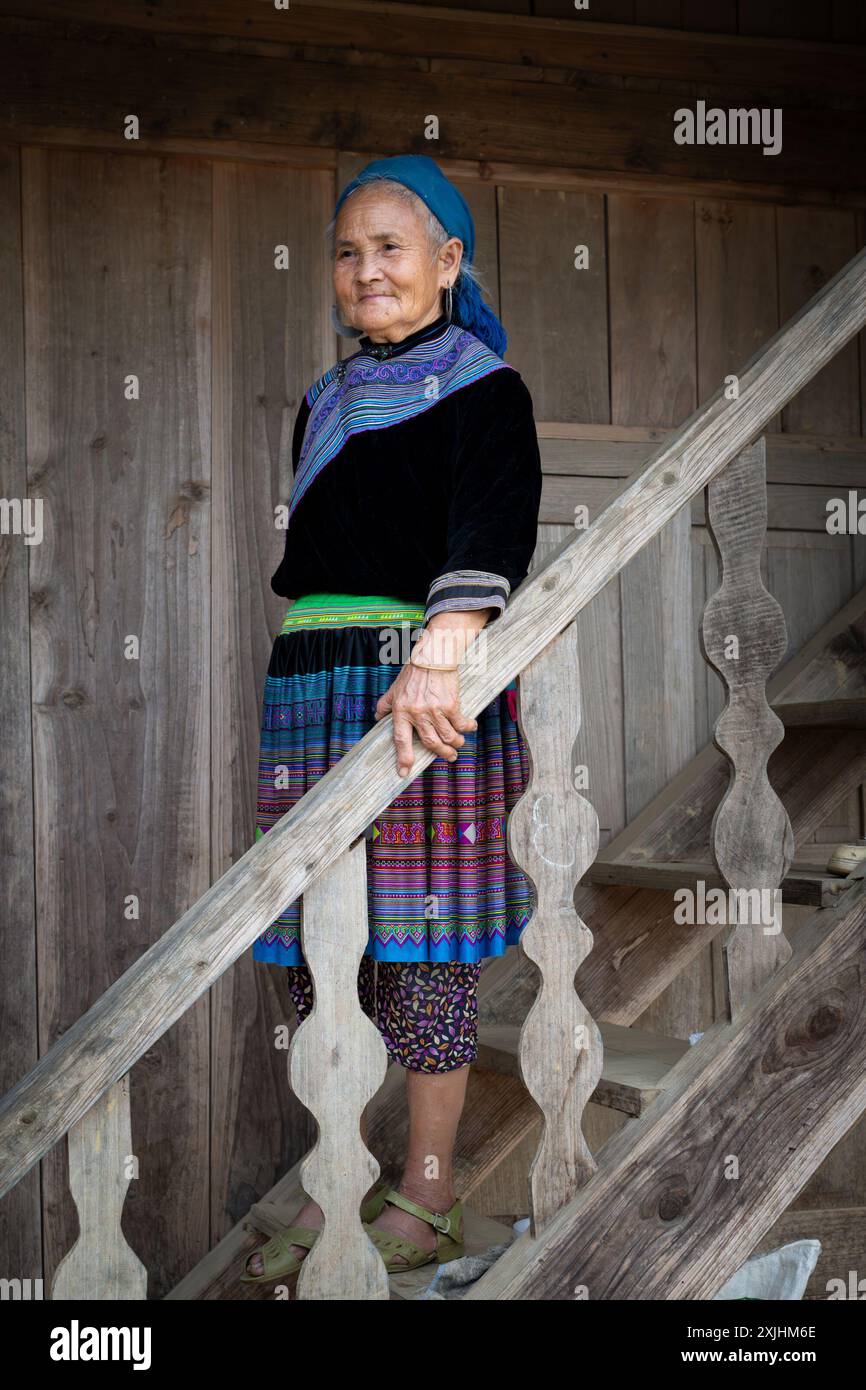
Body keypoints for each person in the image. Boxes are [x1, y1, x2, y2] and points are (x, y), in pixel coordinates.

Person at [242, 154, 542, 1286]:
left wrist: (444, 646)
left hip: (413, 685)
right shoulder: (327, 399)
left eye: (391, 247)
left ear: (446, 262)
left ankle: (427, 1197)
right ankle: (336, 1187)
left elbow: (492, 522)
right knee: (325, 963)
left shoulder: (482, 385)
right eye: (346, 250)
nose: (364, 270)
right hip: (313, 686)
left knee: (416, 955)